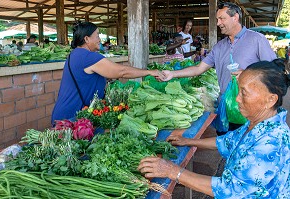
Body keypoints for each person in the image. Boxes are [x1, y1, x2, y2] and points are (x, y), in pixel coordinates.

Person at [138, 59, 290, 198]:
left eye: (244, 93)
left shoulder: (272, 142)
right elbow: (226, 141)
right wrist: (188, 141)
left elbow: (230, 189)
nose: (237, 98)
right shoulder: (258, 124)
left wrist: (172, 171)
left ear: (271, 99)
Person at [161, 2, 276, 135]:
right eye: (217, 19)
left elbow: (273, 70)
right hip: (226, 109)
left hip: (252, 109)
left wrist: (248, 74)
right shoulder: (219, 47)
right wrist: (172, 74)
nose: (218, 23)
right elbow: (198, 69)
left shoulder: (257, 40)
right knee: (225, 145)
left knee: (250, 147)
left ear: (235, 18)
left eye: (222, 19)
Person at [51, 21, 164, 125]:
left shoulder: (76, 54)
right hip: (70, 118)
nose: (99, 39)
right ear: (86, 39)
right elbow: (122, 72)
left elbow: (85, 77)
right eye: (97, 35)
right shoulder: (87, 56)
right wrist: (150, 72)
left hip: (66, 114)